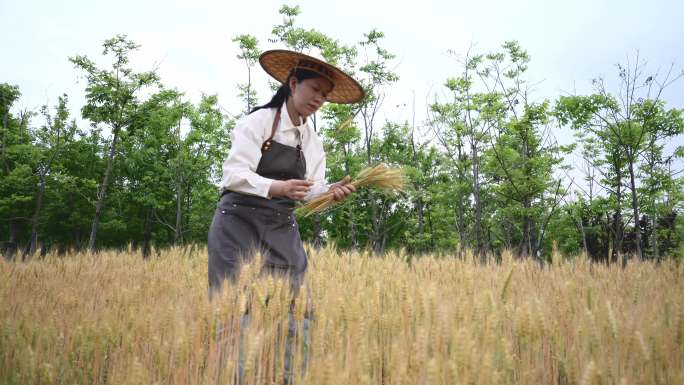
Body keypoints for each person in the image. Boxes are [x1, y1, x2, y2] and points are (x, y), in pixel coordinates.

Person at [207, 49, 364, 383]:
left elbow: (309, 190)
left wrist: (330, 192)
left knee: (299, 310)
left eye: (325, 94)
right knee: (236, 313)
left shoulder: (312, 141)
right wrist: (277, 188)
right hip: (238, 224)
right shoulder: (259, 122)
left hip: (281, 228)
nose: (320, 98)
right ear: (293, 84)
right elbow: (233, 174)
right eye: (315, 89)